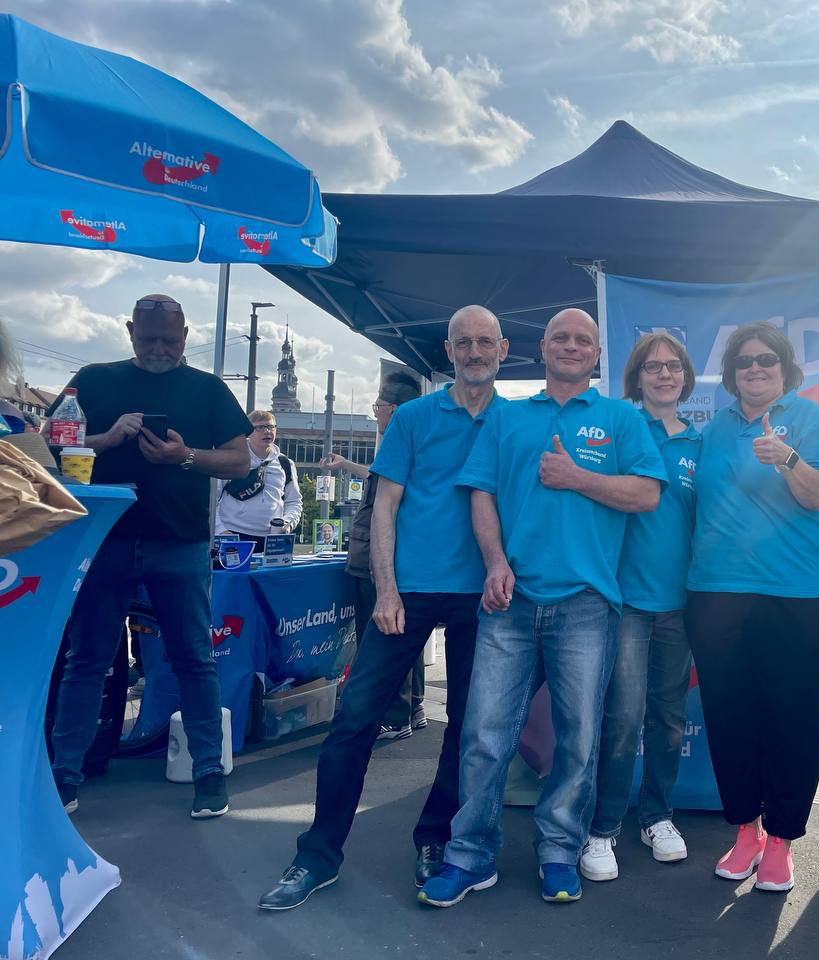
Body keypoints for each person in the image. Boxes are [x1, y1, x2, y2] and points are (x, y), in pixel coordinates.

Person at [258, 306, 510, 911]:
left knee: (466, 725)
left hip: (480, 594)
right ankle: (318, 853)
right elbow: (386, 506)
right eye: (464, 342)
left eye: (485, 342)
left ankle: (436, 838)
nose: (474, 352)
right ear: (449, 351)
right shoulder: (415, 417)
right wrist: (387, 589)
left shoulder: (514, 421)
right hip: (411, 590)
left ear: (502, 350)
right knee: (355, 719)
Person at [420, 308, 664, 909]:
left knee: (577, 738)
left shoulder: (621, 418)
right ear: (542, 348)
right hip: (510, 599)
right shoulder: (507, 417)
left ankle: (559, 850)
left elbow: (647, 494)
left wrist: (578, 477)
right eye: (560, 338)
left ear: (597, 354)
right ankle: (469, 856)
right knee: (484, 733)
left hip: (587, 603)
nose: (571, 346)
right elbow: (481, 494)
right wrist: (494, 562)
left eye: (583, 339)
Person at [49, 294, 251, 818]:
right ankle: (63, 776)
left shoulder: (207, 388)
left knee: (194, 659)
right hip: (104, 541)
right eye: (148, 339)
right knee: (86, 660)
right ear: (129, 331)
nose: (159, 349)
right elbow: (49, 447)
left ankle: (209, 773)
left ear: (185, 335)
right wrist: (106, 438)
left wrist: (185, 456)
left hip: (179, 542)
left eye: (169, 340)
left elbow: (240, 462)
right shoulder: (93, 380)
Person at [683, 321, 819, 894]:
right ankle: (745, 832)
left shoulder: (810, 419)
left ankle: (781, 839)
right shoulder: (714, 429)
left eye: (767, 359)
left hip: (798, 595)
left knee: (793, 719)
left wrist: (787, 457)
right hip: (717, 594)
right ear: (731, 374)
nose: (755, 368)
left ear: (785, 368)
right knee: (730, 718)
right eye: (744, 361)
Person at [580, 332, 700, 883]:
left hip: (680, 604)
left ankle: (657, 817)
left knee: (669, 717)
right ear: (637, 377)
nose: (664, 374)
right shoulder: (623, 431)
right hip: (626, 599)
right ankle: (603, 827)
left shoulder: (699, 443)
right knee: (623, 718)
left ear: (686, 376)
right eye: (653, 367)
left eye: (673, 366)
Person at [321, 371, 428, 739]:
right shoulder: (413, 440)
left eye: (378, 406)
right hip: (386, 555)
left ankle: (394, 715)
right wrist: (347, 465)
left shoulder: (402, 441)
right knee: (403, 635)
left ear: (393, 409)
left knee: (383, 637)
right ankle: (412, 707)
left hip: (377, 559)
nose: (375, 413)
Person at [214, 410, 302, 551]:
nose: (267, 431)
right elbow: (211, 500)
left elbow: (294, 501)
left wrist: (288, 523)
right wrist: (220, 530)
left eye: (271, 427)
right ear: (247, 432)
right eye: (260, 427)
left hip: (273, 538)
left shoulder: (285, 463)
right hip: (233, 534)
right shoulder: (233, 460)